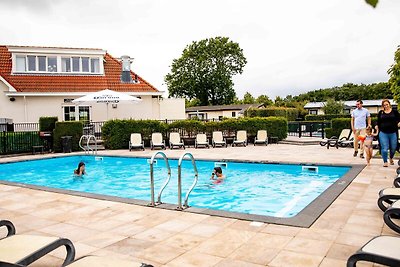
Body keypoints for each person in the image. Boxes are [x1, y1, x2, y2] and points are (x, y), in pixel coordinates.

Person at [376, 99, 400, 167]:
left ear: (389, 104)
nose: (386, 106)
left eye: (387, 104)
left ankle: (391, 157)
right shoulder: (381, 112)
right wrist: (376, 126)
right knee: (385, 148)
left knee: (393, 148)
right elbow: (378, 121)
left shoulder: (394, 112)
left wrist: (399, 123)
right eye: (384, 105)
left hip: (393, 132)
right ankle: (385, 161)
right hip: (383, 132)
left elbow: (399, 119)